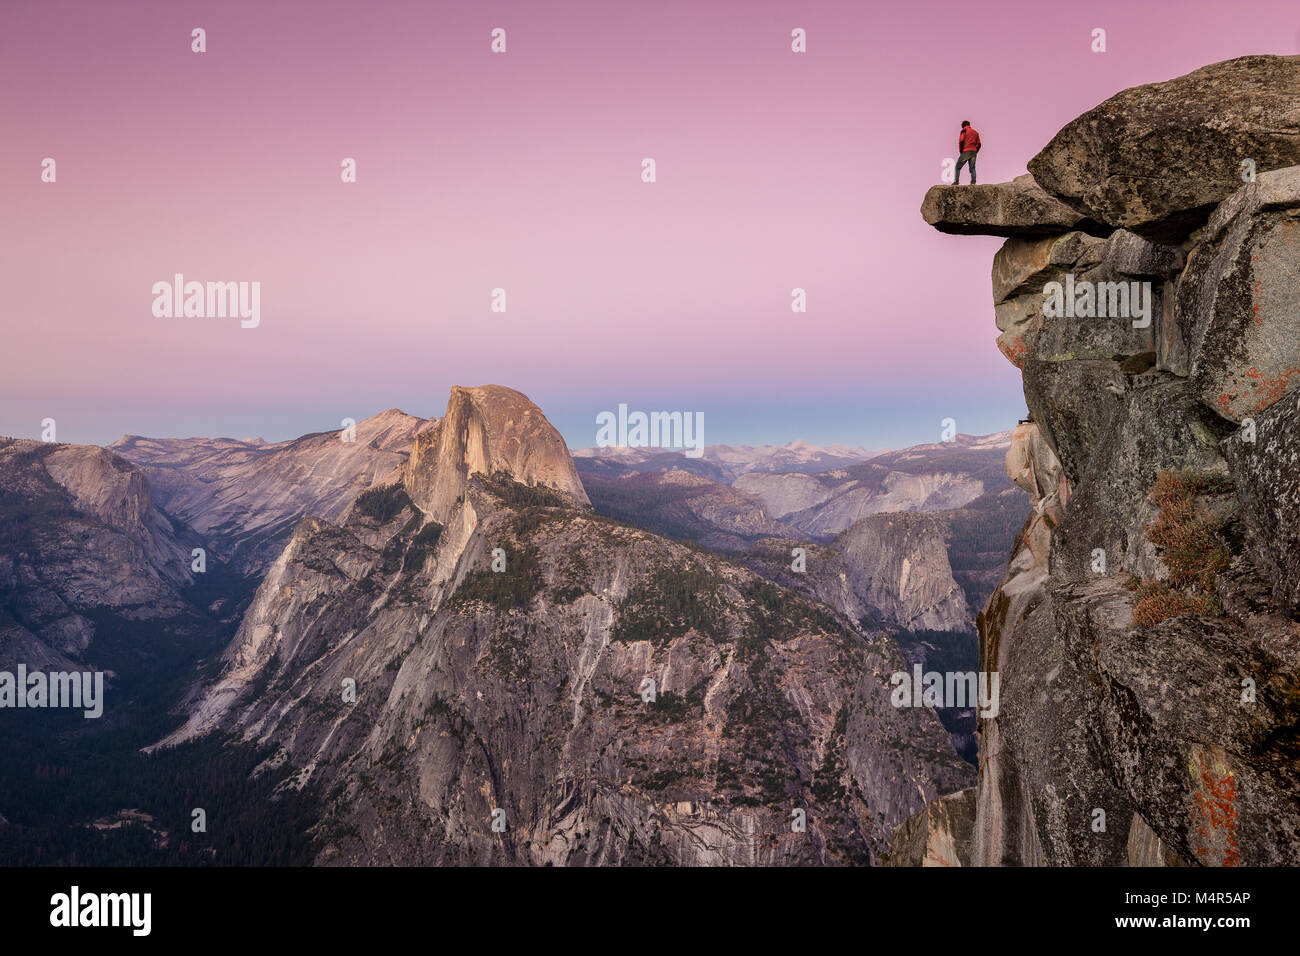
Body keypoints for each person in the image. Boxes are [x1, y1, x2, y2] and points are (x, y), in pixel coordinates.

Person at [954, 120, 981, 185]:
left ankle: (956, 182)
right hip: (974, 151)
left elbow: (961, 141)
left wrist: (961, 151)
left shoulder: (964, 130)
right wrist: (975, 150)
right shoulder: (976, 132)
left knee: (957, 167)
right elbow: (979, 144)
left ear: (963, 125)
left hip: (966, 151)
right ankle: (973, 182)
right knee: (972, 168)